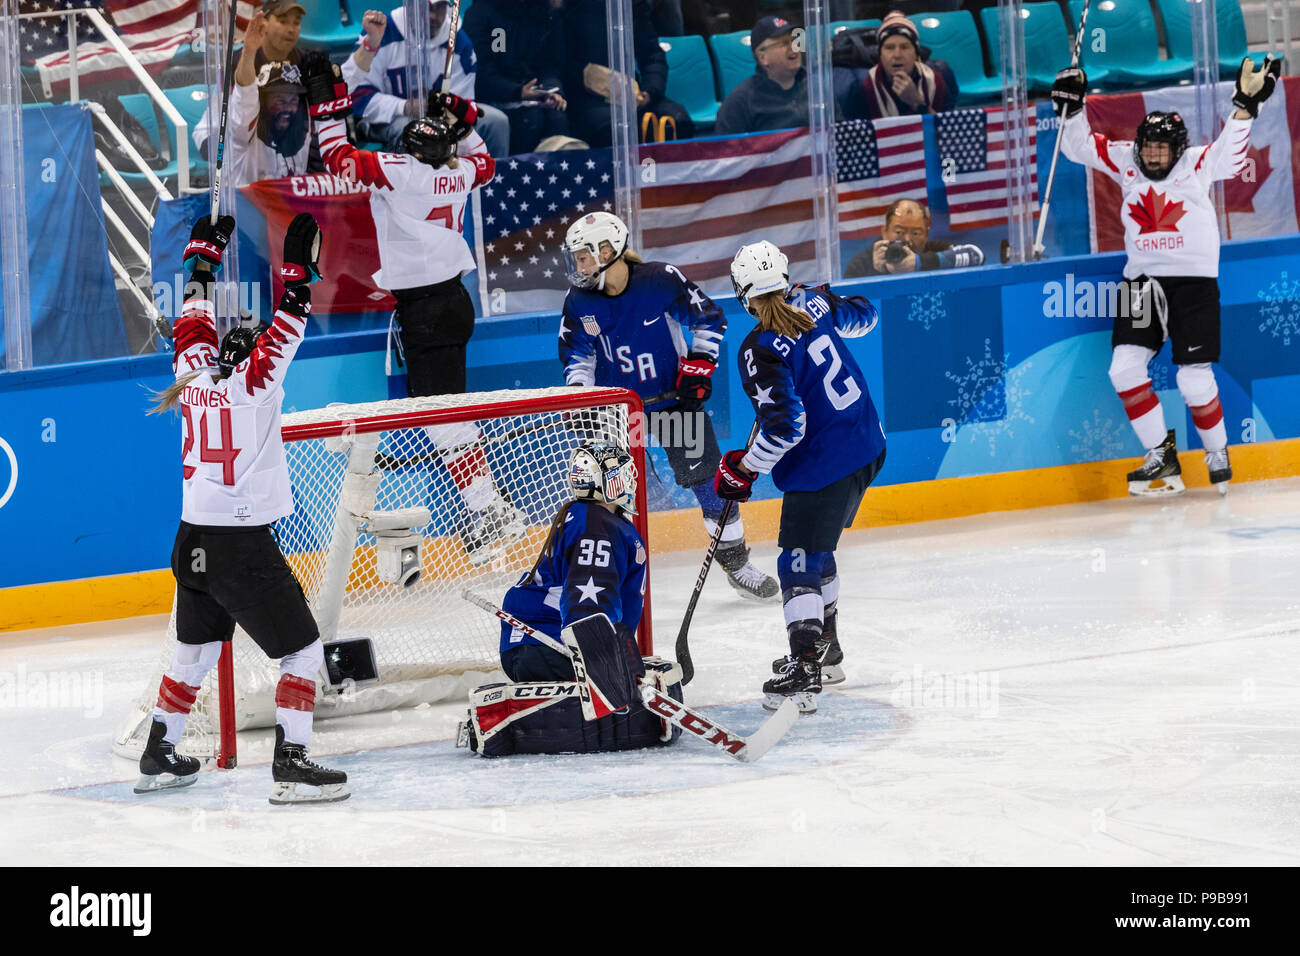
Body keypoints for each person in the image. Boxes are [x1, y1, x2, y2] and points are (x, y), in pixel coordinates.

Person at [138, 211, 348, 805]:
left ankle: (161, 746)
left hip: (192, 541)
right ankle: (293, 761)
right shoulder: (256, 385)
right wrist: (298, 277)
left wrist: (202, 261)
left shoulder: (192, 379)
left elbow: (191, 320)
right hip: (240, 545)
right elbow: (285, 330)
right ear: (250, 355)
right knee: (303, 650)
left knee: (195, 650)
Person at [305, 52, 526, 563]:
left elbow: (339, 156)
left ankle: (492, 510)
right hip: (452, 301)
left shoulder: (400, 171)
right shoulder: (461, 171)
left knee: (444, 419)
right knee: (443, 414)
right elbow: (485, 159)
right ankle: (487, 511)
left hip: (427, 309)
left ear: (409, 150)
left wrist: (328, 104)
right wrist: (463, 114)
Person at [1051, 56, 1282, 495]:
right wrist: (1072, 107)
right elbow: (1078, 148)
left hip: (1193, 283)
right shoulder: (1126, 160)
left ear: (1178, 148)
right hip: (1139, 282)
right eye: (1147, 148)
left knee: (1192, 376)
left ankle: (1217, 452)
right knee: (1123, 370)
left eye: (1161, 149)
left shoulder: (1196, 163)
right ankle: (1160, 456)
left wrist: (1245, 107)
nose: (1152, 156)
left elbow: (1231, 157)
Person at [558, 211, 779, 601]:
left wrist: (697, 370)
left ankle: (736, 564)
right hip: (619, 414)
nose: (577, 265)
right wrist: (583, 398)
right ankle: (611, 577)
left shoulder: (659, 281)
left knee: (711, 486)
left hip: (674, 406)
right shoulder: (580, 302)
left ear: (607, 251)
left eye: (582, 256)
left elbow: (710, 320)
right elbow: (580, 358)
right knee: (609, 496)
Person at [716, 240, 886, 714]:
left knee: (795, 561)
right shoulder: (813, 300)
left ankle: (805, 667)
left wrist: (744, 469)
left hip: (824, 464)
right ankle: (826, 651)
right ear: (786, 278)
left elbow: (788, 428)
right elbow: (867, 316)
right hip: (867, 445)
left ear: (742, 295)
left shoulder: (759, 348)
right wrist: (830, 301)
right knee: (818, 550)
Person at [461, 441, 682, 757]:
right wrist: (603, 662)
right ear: (605, 482)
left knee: (642, 685)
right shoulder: (596, 524)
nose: (630, 480)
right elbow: (587, 602)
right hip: (547, 645)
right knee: (623, 707)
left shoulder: (593, 518)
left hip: (539, 646)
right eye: (621, 474)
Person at [343, 2, 510, 157]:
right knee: (411, 130)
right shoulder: (382, 32)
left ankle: (489, 184)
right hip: (386, 120)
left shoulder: (459, 42)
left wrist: (445, 110)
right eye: (426, 7)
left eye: (439, 7)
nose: (433, 16)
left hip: (442, 119)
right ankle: (408, 187)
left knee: (496, 122)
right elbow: (358, 97)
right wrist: (405, 107)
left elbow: (463, 101)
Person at [193, 2, 322, 185]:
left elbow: (317, 122)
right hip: (240, 155)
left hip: (286, 162)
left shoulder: (306, 63)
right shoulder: (238, 62)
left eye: (296, 23)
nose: (291, 29)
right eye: (283, 21)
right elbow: (214, 131)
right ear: (264, 25)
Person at [561, 0, 694, 146]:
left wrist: (649, 93)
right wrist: (599, 80)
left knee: (679, 120)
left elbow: (652, 56)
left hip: (634, 95)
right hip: (589, 97)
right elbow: (559, 64)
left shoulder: (632, 6)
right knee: (613, 128)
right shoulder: (569, 7)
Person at [463, 0, 572, 155]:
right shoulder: (481, 13)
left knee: (557, 117)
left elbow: (551, 65)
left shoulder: (546, 13)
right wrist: (518, 91)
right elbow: (481, 73)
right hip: (496, 98)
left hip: (535, 95)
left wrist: (553, 90)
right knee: (529, 121)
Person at [715, 15, 810, 136]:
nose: (794, 47)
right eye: (785, 43)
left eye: (796, 40)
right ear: (763, 57)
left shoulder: (818, 87)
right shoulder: (740, 103)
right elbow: (727, 152)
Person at [842, 199, 985, 277]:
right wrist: (877, 272)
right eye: (898, 232)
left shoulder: (933, 250)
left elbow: (976, 254)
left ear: (927, 234)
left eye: (916, 233)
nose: (907, 240)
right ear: (884, 232)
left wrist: (919, 262)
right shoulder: (862, 263)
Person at [858, 10, 956, 120]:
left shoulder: (936, 81)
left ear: (916, 54)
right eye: (889, 48)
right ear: (880, 55)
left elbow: (944, 130)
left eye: (905, 47)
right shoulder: (865, 88)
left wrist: (916, 102)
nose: (897, 55)